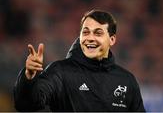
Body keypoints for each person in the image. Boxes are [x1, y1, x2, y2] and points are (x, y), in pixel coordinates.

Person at [14, 10, 146, 112]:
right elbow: (25, 105)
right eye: (86, 32)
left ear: (112, 39)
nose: (90, 38)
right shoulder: (60, 72)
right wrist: (29, 77)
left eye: (98, 33)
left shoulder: (126, 80)